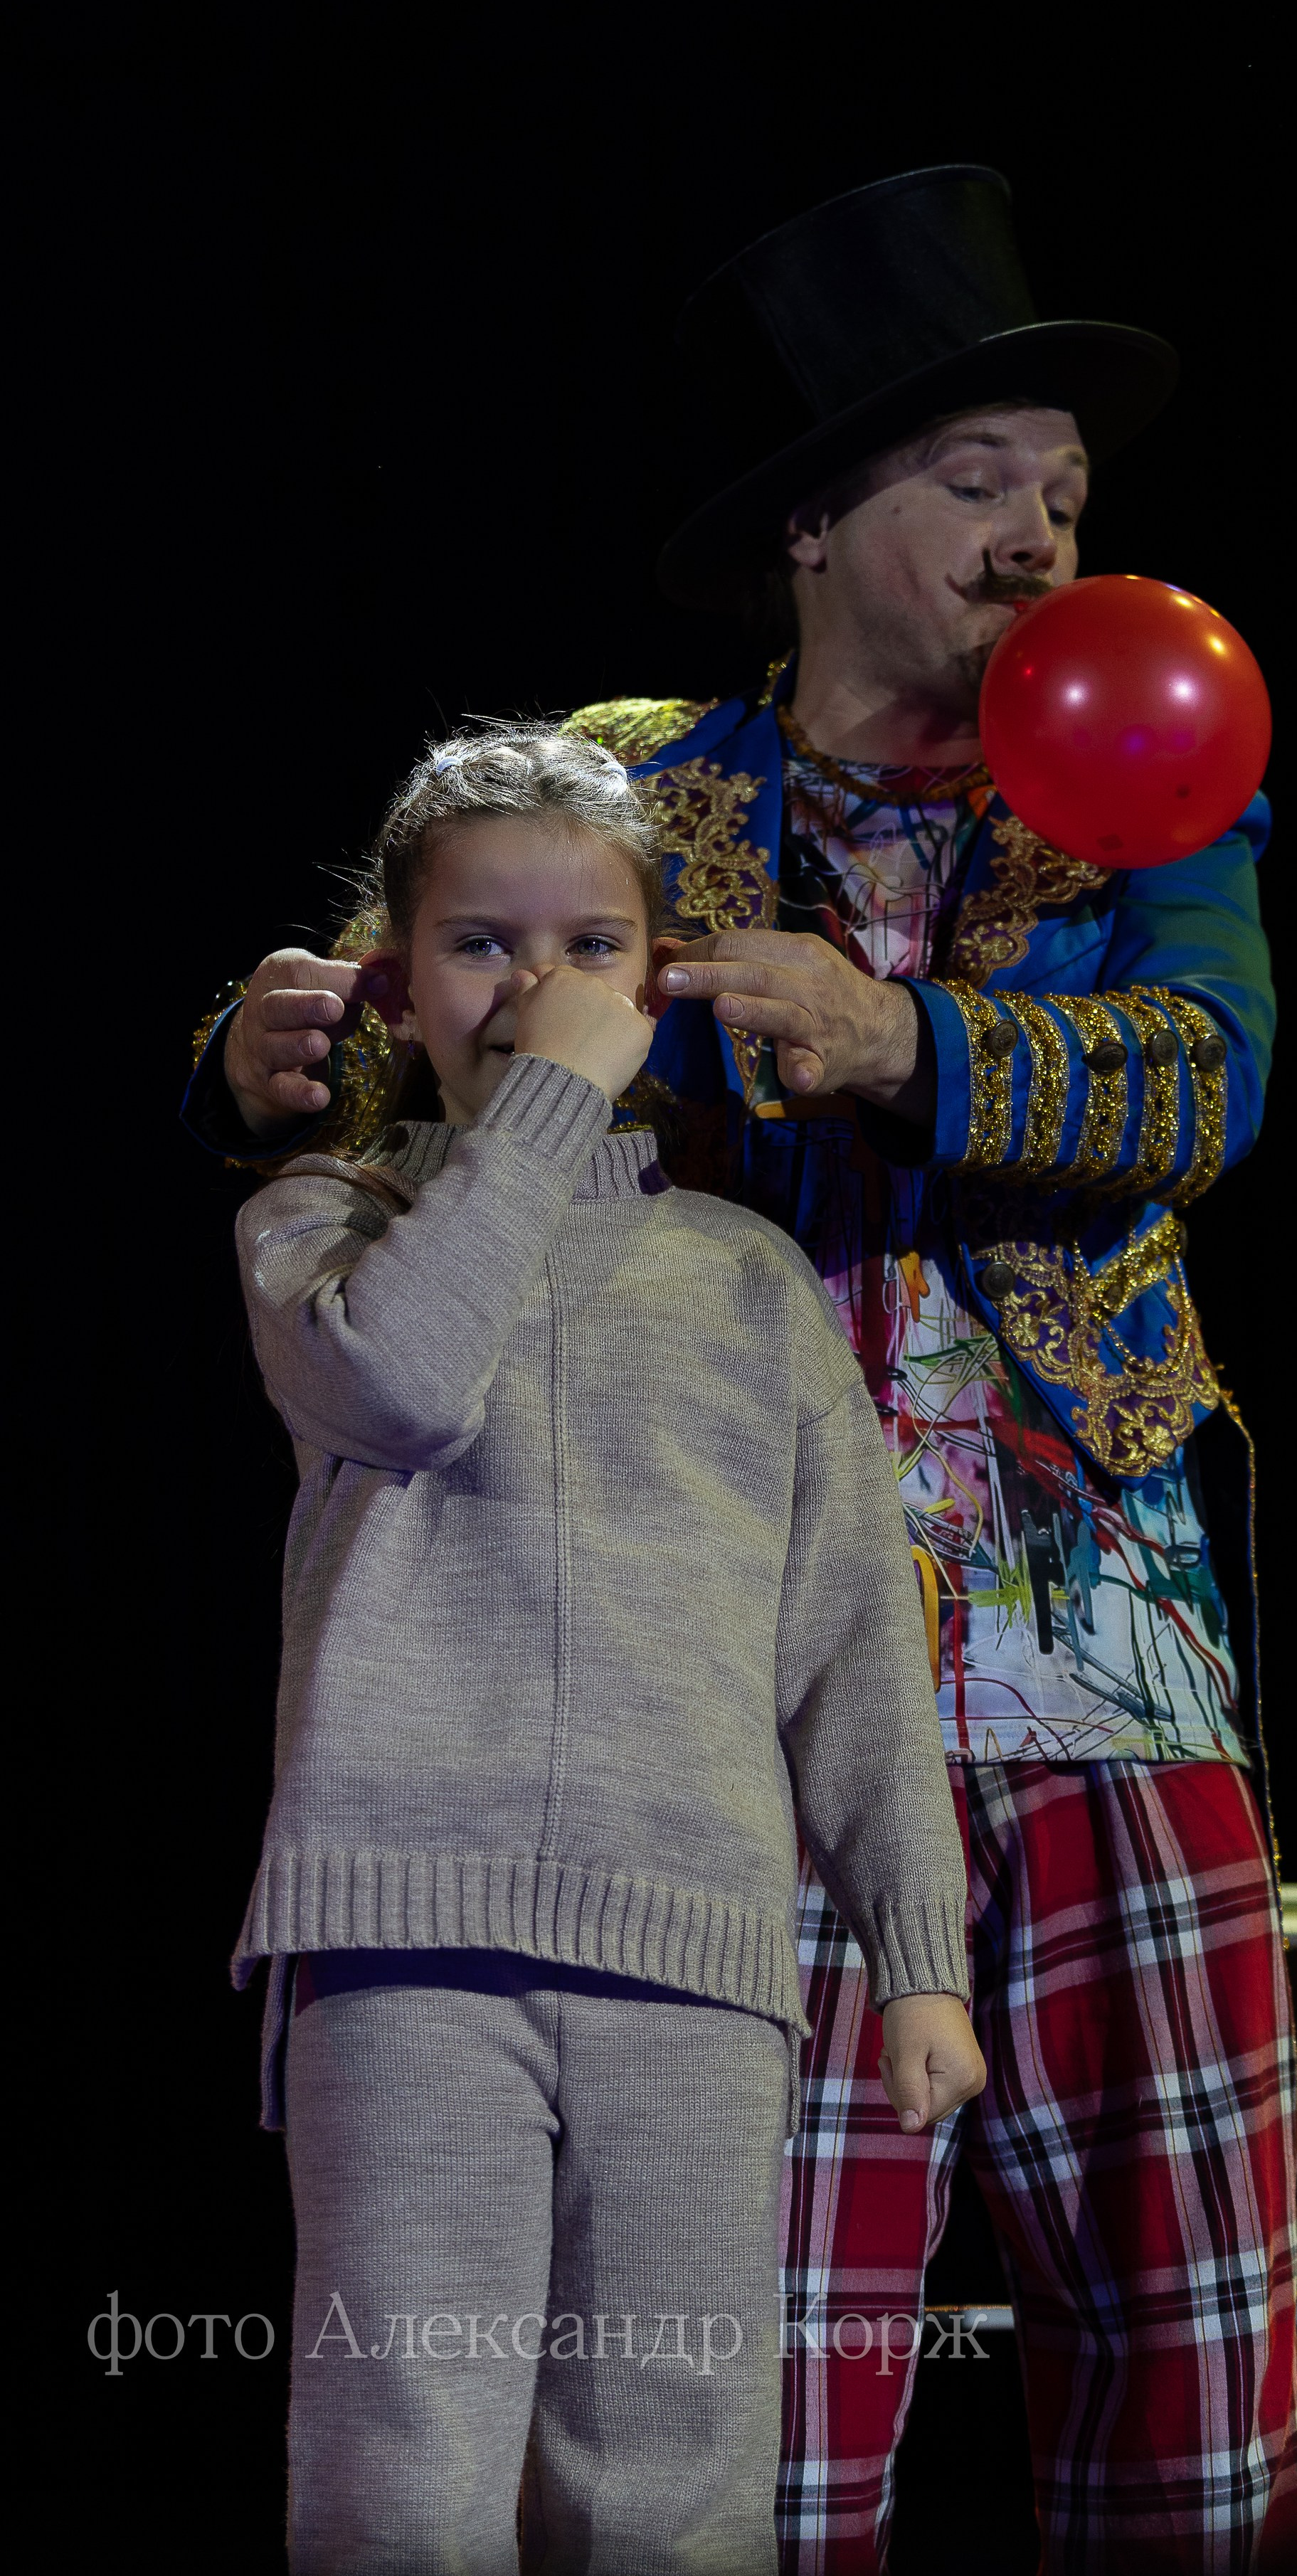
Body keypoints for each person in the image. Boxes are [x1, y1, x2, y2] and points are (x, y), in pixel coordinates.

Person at [188, 168, 1297, 2570]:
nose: (1044, 538)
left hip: (1081, 1638)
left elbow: (1200, 1081)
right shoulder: (641, 784)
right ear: (820, 517)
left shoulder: (1140, 773)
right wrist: (257, 1043)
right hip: (711, 1677)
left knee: (1190, 2355)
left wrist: (907, 1033)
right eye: (981, 482)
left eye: (1067, 490)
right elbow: (407, 991)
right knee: (750, 2421)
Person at [228, 721, 983, 2575]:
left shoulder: (742, 1287)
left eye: (584, 950)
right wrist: (547, 1110)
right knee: (404, 2469)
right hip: (403, 1939)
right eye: (485, 945)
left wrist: (918, 1954)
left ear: (652, 982)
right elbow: (404, 1386)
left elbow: (851, 1644)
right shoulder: (324, 1225)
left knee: (673, 2475)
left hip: (693, 1960)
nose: (534, 989)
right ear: (399, 984)